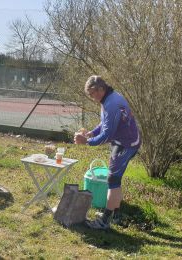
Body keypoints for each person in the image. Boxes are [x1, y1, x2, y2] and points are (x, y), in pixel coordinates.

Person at [74, 75, 141, 230]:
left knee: (113, 180)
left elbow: (106, 135)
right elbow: (105, 123)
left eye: (92, 94)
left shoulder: (111, 104)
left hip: (127, 144)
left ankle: (105, 221)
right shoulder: (109, 98)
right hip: (123, 141)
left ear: (101, 89)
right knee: (115, 178)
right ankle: (116, 215)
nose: (91, 97)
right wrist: (91, 133)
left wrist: (86, 142)